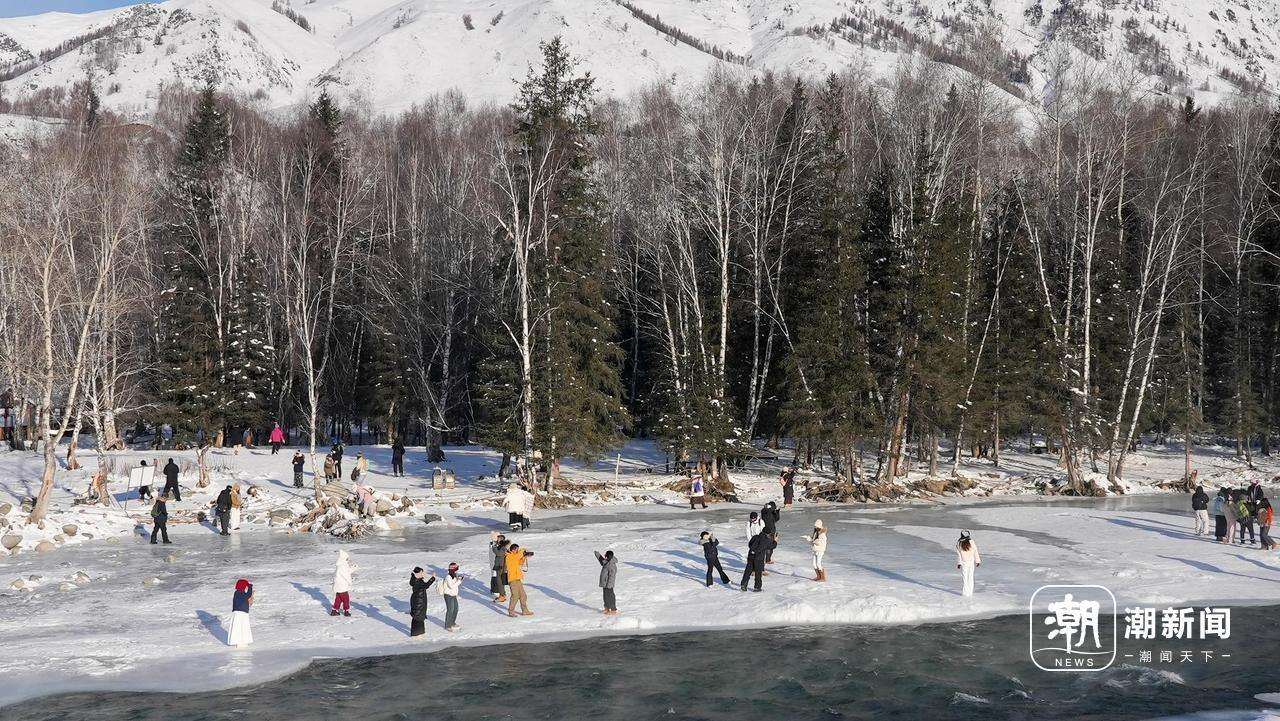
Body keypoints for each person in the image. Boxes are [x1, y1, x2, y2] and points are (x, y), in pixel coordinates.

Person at [505, 543, 534, 617]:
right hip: (512, 579)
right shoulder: (509, 556)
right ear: (511, 550)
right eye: (515, 549)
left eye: (517, 549)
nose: (516, 551)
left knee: (523, 595)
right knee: (515, 596)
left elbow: (520, 562)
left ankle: (525, 611)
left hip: (518, 578)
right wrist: (522, 551)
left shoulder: (516, 556)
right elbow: (516, 558)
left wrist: (524, 557)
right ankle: (511, 611)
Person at [408, 567, 435, 637]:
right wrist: (432, 578)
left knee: (419, 617)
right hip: (418, 602)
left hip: (419, 601)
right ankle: (416, 633)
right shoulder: (417, 581)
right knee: (418, 618)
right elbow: (426, 586)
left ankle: (420, 632)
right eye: (421, 572)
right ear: (417, 574)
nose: (423, 573)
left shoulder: (417, 580)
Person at [228, 579, 254, 647]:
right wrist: (250, 586)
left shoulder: (238, 593)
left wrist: (249, 587)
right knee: (240, 627)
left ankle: (242, 641)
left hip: (241, 612)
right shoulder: (238, 593)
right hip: (240, 613)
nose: (246, 587)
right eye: (245, 586)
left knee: (241, 627)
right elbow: (248, 595)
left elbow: (248, 596)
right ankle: (239, 642)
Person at [331, 549, 357, 617]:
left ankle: (334, 610)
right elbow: (346, 575)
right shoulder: (342, 565)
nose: (348, 560)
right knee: (346, 599)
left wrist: (353, 568)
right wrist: (350, 582)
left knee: (339, 598)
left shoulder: (341, 565)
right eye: (347, 558)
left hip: (339, 585)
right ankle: (346, 611)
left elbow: (346, 572)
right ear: (343, 558)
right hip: (342, 585)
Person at [956, 530, 981, 597]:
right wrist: (977, 561)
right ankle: (970, 593)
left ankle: (965, 594)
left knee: (965, 579)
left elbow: (959, 555)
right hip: (971, 562)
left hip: (964, 563)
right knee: (970, 577)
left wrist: (959, 563)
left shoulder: (959, 543)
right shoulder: (971, 542)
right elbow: (975, 551)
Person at [594, 550, 618, 615]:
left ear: (608, 556)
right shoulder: (607, 562)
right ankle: (607, 608)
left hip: (609, 584)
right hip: (605, 583)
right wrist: (597, 554)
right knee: (605, 596)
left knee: (610, 596)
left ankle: (613, 609)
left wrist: (609, 585)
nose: (604, 556)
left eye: (605, 555)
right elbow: (601, 560)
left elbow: (612, 576)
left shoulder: (611, 565)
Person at [442, 563, 463, 631]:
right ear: (452, 570)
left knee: (456, 609)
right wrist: (459, 581)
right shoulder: (448, 577)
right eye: (456, 569)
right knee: (450, 610)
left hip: (453, 595)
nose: (457, 571)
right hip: (448, 595)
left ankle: (452, 622)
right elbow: (451, 586)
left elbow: (455, 585)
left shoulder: (455, 575)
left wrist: (459, 579)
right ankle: (448, 625)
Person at [489, 533, 509, 603]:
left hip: (501, 565)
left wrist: (494, 547)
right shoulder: (502, 546)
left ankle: (502, 595)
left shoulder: (503, 546)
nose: (497, 539)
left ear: (501, 539)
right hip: (501, 565)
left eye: (498, 538)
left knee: (499, 580)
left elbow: (499, 554)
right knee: (501, 580)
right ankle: (502, 594)